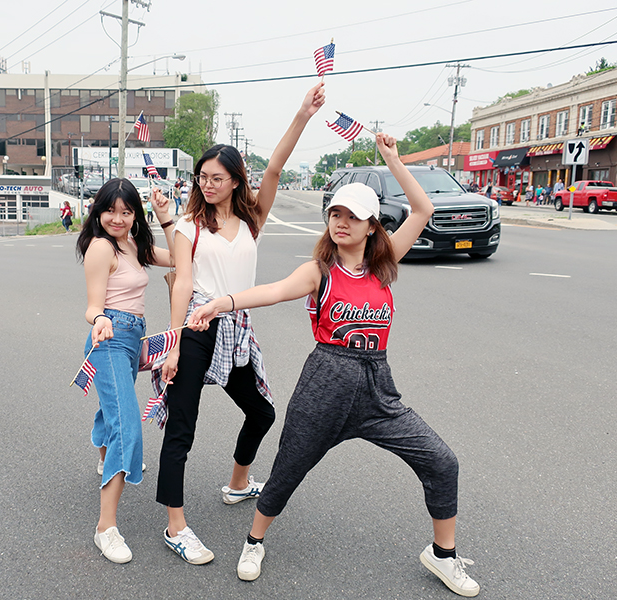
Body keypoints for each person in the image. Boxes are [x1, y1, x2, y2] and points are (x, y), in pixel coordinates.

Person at [189, 132, 480, 597]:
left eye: (354, 216)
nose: (342, 223)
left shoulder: (385, 266)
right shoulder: (320, 271)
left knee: (442, 461)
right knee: (288, 468)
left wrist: (393, 160)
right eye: (336, 214)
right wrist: (222, 301)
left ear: (372, 226)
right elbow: (272, 291)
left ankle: (442, 555)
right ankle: (254, 540)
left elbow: (423, 211)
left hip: (377, 388)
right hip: (325, 382)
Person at [152, 82, 325, 565]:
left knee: (262, 412)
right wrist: (173, 343)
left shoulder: (252, 219)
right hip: (197, 327)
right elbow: (182, 281)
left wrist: (302, 114)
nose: (207, 184)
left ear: (234, 181)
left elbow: (274, 167)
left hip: (236, 326)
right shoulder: (188, 225)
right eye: (202, 176)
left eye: (217, 177)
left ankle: (236, 483)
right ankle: (176, 526)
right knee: (181, 429)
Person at [76, 179, 175, 564]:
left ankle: (105, 456)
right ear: (98, 212)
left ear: (136, 213)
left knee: (114, 408)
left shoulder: (134, 244)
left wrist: (166, 217)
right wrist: (99, 318)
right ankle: (106, 529)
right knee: (127, 425)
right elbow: (92, 305)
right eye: (110, 210)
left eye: (127, 211)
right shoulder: (101, 247)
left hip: (133, 339)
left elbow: (182, 258)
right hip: (109, 338)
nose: (117, 219)